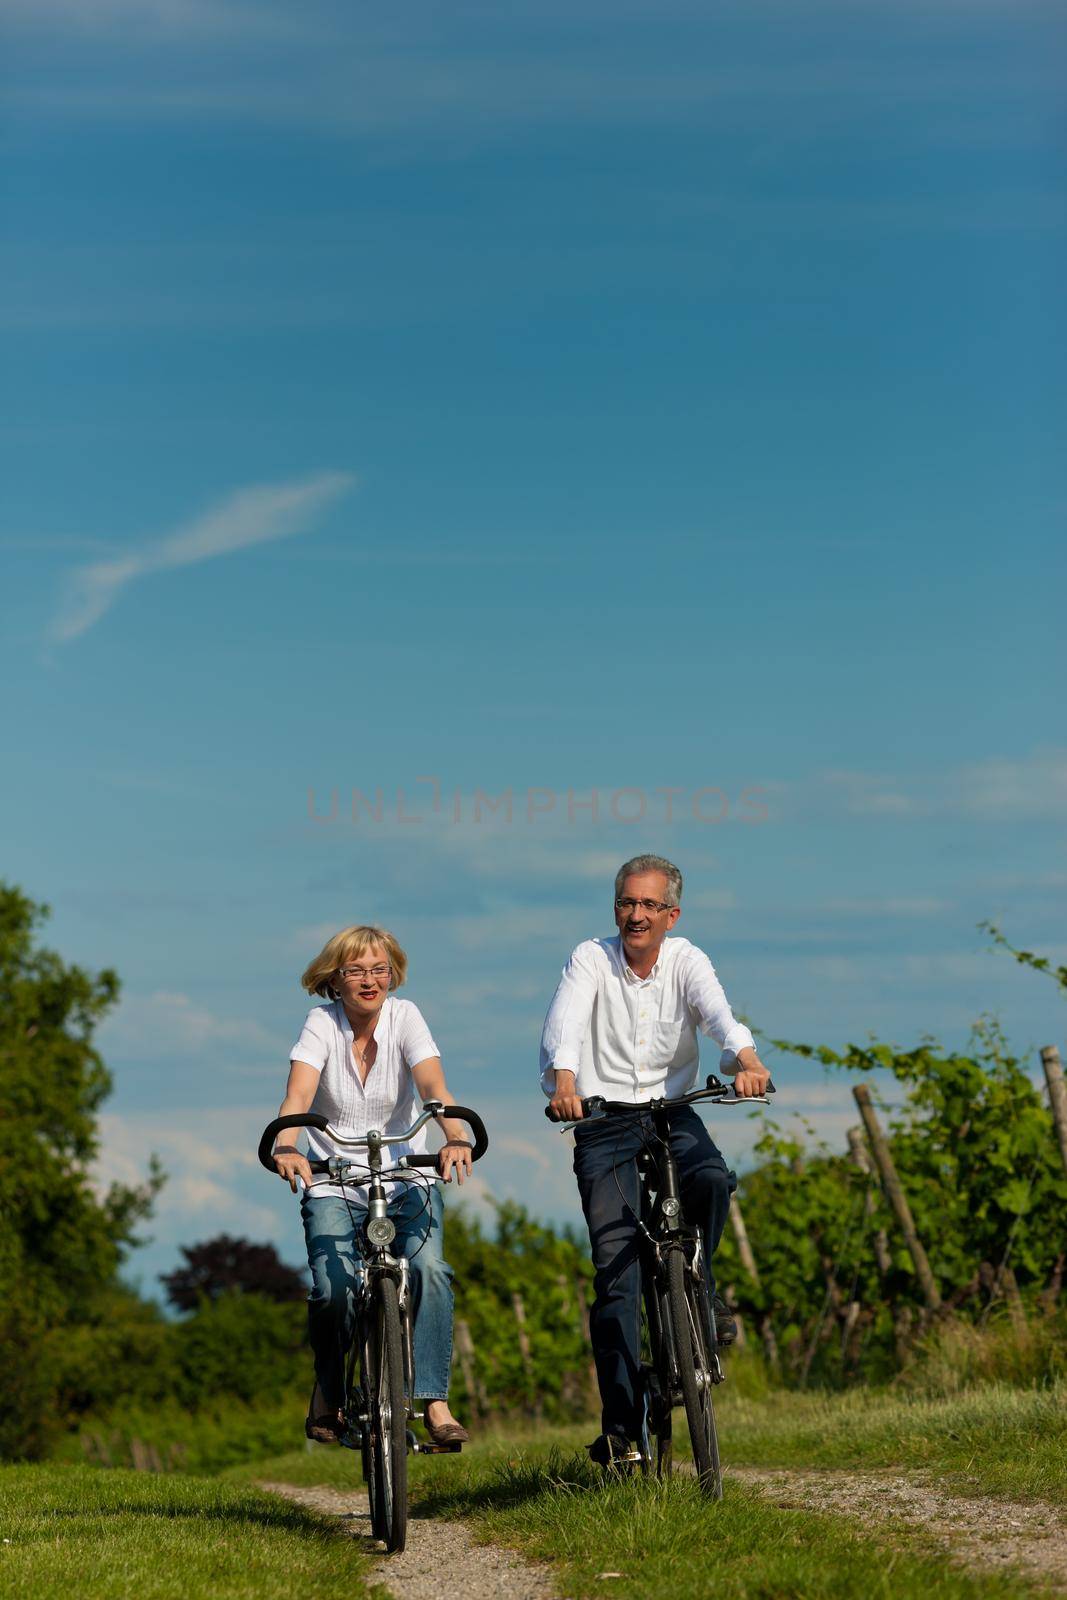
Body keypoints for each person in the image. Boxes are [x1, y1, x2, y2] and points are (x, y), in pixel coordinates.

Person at [539, 853, 772, 1464]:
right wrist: (565, 1083)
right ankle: (621, 1430)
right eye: (625, 903)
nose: (634, 915)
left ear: (671, 914)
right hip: (604, 1120)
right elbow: (563, 1027)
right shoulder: (591, 958)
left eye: (648, 905)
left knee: (714, 1181)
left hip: (672, 1112)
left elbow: (718, 1014)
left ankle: (703, 1287)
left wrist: (745, 1061)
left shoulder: (687, 960)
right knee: (616, 1273)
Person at [272, 923, 471, 1446]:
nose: (369, 980)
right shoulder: (321, 1024)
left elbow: (434, 1089)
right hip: (334, 1179)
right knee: (332, 1289)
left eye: (379, 970)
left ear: (393, 975)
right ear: (335, 978)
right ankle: (331, 1392)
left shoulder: (407, 1017)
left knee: (429, 1267)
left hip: (406, 1174)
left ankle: (434, 1400)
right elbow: (298, 1096)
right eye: (356, 970)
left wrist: (454, 1133)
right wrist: (287, 1144)